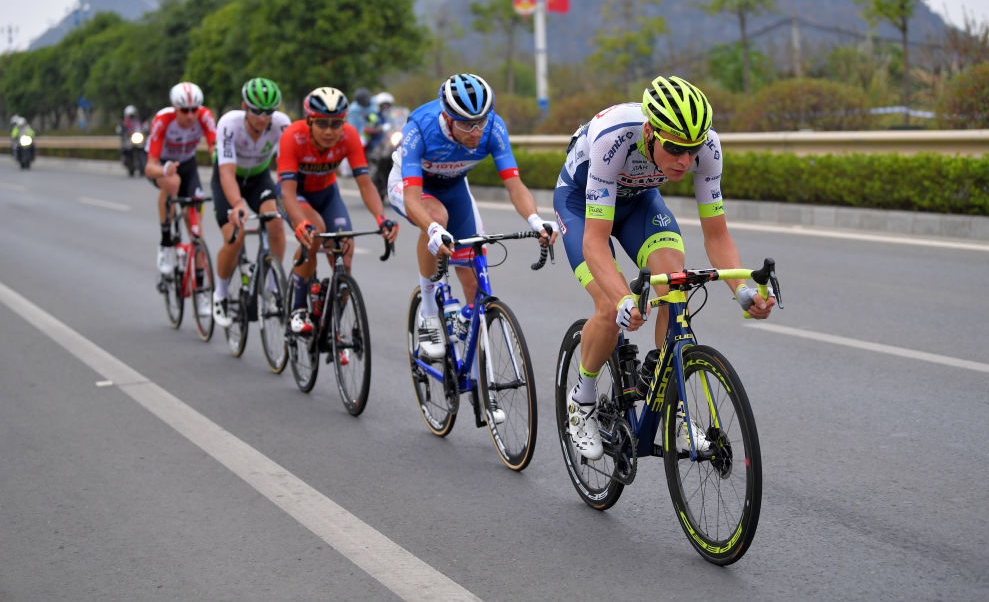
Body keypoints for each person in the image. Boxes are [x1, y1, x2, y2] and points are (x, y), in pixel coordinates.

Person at [552, 75, 776, 460]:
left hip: (640, 203)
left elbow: (718, 237)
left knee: (675, 286)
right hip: (581, 207)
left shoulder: (708, 148)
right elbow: (594, 241)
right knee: (608, 306)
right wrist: (623, 297)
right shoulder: (613, 139)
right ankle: (582, 400)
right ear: (650, 132)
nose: (685, 161)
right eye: (674, 149)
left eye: (693, 150)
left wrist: (741, 289)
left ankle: (677, 411)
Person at [386, 72, 556, 362]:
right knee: (436, 216)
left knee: (475, 283)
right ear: (448, 117)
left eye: (482, 121)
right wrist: (432, 229)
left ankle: (476, 372)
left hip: (454, 187)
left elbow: (515, 185)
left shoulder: (494, 128)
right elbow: (414, 199)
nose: (476, 131)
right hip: (411, 186)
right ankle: (428, 314)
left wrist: (535, 220)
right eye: (467, 123)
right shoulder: (421, 127)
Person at [277, 86, 398, 335]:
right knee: (315, 233)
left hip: (327, 194)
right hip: (297, 195)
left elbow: (365, 184)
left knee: (346, 250)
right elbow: (287, 192)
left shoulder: (349, 136)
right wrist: (300, 224)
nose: (330, 131)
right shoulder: (293, 135)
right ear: (309, 121)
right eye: (322, 124)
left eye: (336, 123)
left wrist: (381, 218)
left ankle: (332, 329)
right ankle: (297, 309)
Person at [210, 78, 292, 328]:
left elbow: (288, 166)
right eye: (257, 111)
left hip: (258, 178)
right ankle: (221, 294)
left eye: (269, 112)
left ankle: (270, 292)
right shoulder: (229, 124)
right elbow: (226, 173)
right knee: (236, 236)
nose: (263, 118)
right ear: (245, 106)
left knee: (276, 224)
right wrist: (237, 204)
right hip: (229, 177)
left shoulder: (281, 124)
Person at [144, 82, 218, 315]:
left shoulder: (205, 116)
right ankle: (166, 242)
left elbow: (215, 148)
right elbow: (149, 167)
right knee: (173, 183)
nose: (190, 115)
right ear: (175, 108)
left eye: (194, 109)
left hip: (188, 165)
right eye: (184, 111)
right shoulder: (163, 120)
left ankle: (202, 292)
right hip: (163, 166)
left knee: (196, 230)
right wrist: (165, 171)